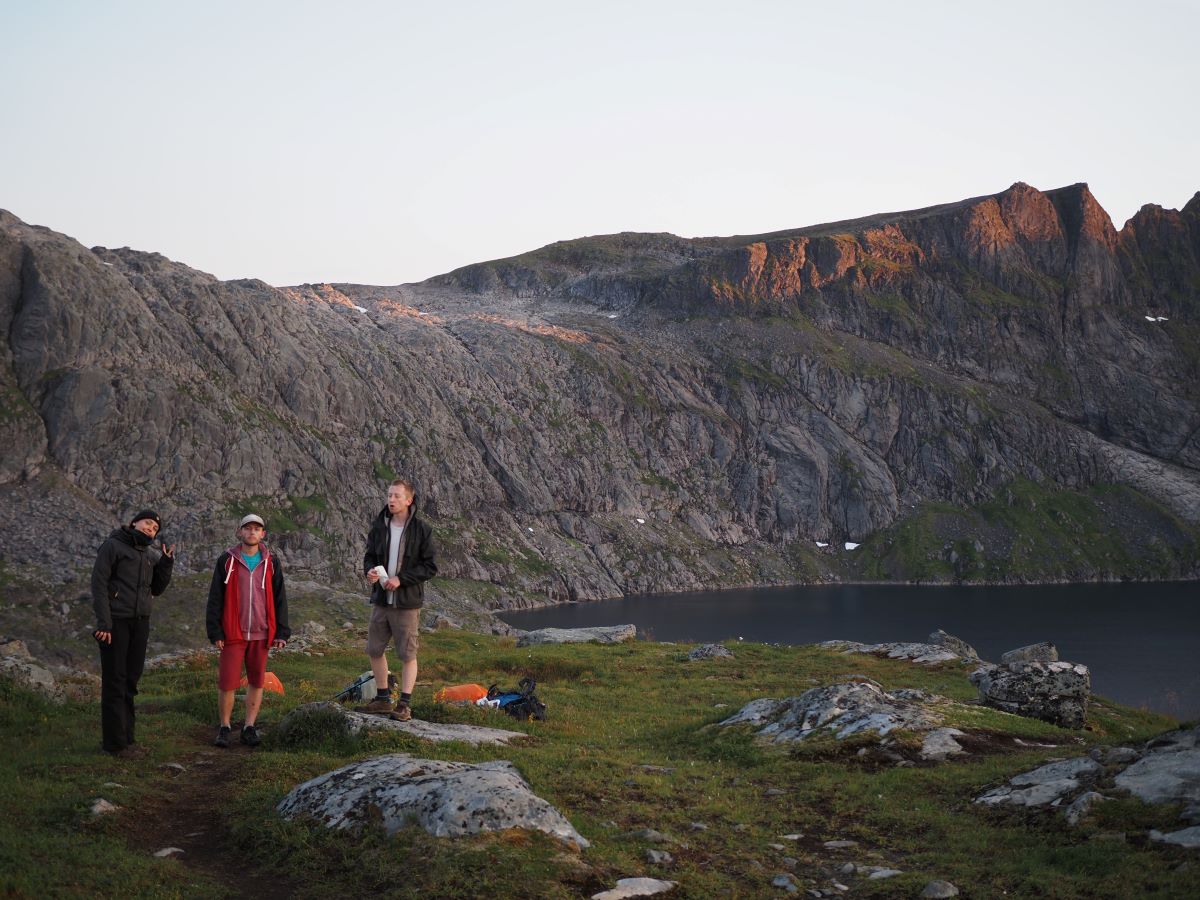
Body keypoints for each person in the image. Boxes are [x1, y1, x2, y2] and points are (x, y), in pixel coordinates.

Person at [91, 509, 175, 757]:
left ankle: (128, 739)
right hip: (116, 622)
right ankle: (114, 745)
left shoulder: (149, 554)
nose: (151, 529)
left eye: (155, 528)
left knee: (130, 680)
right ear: (134, 522)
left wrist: (166, 563)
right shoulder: (113, 546)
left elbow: (157, 589)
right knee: (115, 680)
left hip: (140, 623)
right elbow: (99, 583)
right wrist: (104, 623)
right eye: (148, 523)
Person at [205, 514, 290, 748]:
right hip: (233, 633)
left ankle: (249, 727)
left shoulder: (271, 562)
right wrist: (216, 632)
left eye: (257, 529)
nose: (252, 532)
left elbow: (279, 597)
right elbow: (215, 598)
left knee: (256, 681)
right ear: (239, 532)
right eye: (248, 528)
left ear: (263, 534)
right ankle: (224, 727)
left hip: (261, 633)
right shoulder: (227, 561)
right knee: (227, 682)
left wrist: (282, 632)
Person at [358, 478, 437, 721]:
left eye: (396, 496)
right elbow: (369, 556)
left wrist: (401, 579)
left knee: (407, 654)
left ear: (409, 500)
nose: (391, 500)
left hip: (406, 603)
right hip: (381, 599)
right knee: (374, 649)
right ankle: (383, 699)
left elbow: (430, 567)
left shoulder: (422, 530)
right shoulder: (379, 526)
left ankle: (404, 704)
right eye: (389, 495)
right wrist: (370, 571)